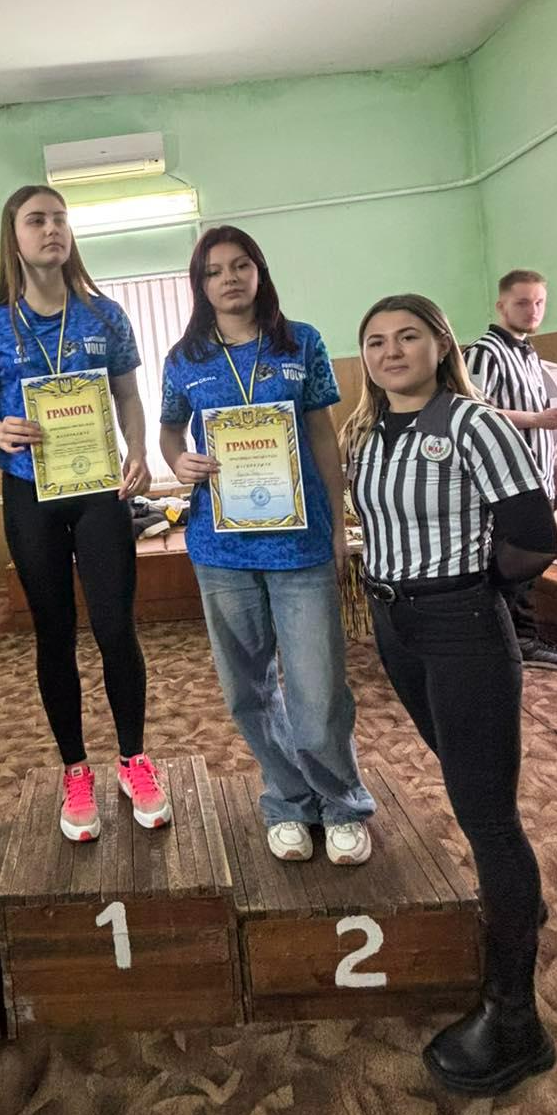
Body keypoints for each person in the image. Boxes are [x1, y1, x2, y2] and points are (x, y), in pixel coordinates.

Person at [343, 292, 557, 1095]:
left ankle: (516, 1022)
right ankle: (517, 908)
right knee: (467, 777)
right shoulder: (368, 434)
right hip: (395, 625)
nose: (390, 351)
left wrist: (472, 589)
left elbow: (534, 538)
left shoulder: (474, 424)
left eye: (408, 336)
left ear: (440, 346)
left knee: (487, 817)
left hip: (462, 624)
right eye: (375, 341)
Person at [160, 226, 374, 866]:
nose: (229, 278)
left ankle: (342, 803)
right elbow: (170, 432)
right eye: (214, 270)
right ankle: (288, 799)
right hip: (221, 547)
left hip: (300, 544)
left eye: (240, 265)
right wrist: (179, 461)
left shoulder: (300, 342)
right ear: (200, 284)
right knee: (246, 690)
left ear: (259, 272)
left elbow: (323, 435)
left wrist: (337, 524)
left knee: (318, 688)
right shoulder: (184, 358)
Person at [0, 184, 170, 843]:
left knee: (115, 628)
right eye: (36, 220)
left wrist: (138, 451)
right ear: (14, 236)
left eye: (60, 219)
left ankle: (134, 759)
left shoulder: (105, 316)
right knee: (53, 634)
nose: (51, 229)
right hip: (30, 492)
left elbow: (129, 394)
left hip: (100, 490)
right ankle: (75, 770)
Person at [463, 270, 557, 669]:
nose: (533, 310)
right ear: (501, 306)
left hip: (538, 477)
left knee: (529, 563)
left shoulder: (529, 353)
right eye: (522, 302)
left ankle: (515, 640)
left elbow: (531, 411)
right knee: (518, 564)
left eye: (539, 302)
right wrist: (537, 419)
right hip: (506, 484)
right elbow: (473, 410)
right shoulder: (484, 352)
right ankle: (520, 641)